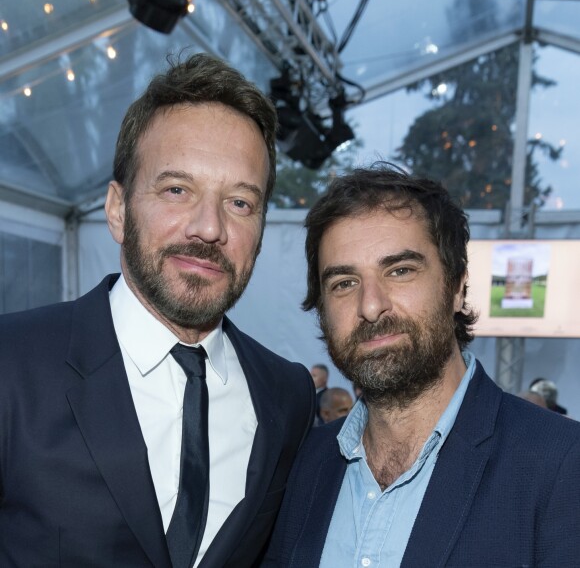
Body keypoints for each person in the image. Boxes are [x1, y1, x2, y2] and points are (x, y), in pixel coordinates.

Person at [0, 53, 315, 568]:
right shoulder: (11, 363)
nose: (209, 228)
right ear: (118, 210)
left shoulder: (288, 395)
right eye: (177, 190)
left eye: (240, 202)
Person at [264, 163, 580, 567]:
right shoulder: (305, 465)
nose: (371, 305)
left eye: (400, 271)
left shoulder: (560, 464)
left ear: (456, 287)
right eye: (344, 282)